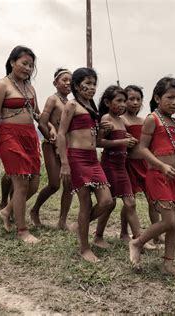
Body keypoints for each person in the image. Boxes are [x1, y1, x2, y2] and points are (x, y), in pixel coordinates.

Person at [129, 77, 175, 280]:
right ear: (157, 98)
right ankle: (138, 242)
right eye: (169, 97)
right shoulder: (152, 119)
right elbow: (142, 148)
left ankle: (168, 264)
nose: (174, 102)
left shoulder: (174, 121)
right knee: (169, 220)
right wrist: (162, 165)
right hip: (158, 175)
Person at [0, 45, 48, 244]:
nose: (28, 68)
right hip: (9, 135)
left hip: (30, 136)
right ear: (12, 62)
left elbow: (36, 113)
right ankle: (22, 231)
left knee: (34, 183)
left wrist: (52, 128)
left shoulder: (30, 88)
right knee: (21, 182)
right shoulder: (1, 85)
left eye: (31, 65)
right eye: (24, 64)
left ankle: (7, 210)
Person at [57, 67, 114, 262]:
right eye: (87, 83)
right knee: (85, 203)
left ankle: (80, 225)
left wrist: (104, 130)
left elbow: (97, 141)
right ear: (76, 85)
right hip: (76, 158)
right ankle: (84, 248)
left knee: (107, 201)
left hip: (92, 159)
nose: (91, 87)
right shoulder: (71, 105)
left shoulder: (92, 108)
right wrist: (64, 163)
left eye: (94, 83)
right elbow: (61, 134)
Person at [93, 85, 144, 249]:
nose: (123, 105)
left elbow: (120, 135)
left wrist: (127, 137)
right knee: (110, 203)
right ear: (108, 102)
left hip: (122, 166)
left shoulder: (121, 120)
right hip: (110, 164)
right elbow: (99, 142)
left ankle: (139, 240)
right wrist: (122, 141)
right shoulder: (106, 119)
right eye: (119, 101)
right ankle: (98, 236)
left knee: (130, 202)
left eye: (124, 101)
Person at [30, 68, 73, 230]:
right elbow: (41, 122)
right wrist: (51, 139)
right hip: (51, 145)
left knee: (69, 185)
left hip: (67, 147)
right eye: (64, 80)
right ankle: (35, 210)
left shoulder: (71, 103)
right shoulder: (52, 100)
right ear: (55, 83)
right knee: (54, 184)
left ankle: (62, 221)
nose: (68, 83)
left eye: (71, 80)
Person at [120, 85, 159, 242]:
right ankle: (123, 232)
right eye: (131, 99)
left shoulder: (144, 121)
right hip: (128, 163)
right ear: (124, 100)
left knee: (153, 199)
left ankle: (156, 233)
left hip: (144, 163)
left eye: (138, 99)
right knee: (130, 201)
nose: (135, 102)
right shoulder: (121, 120)